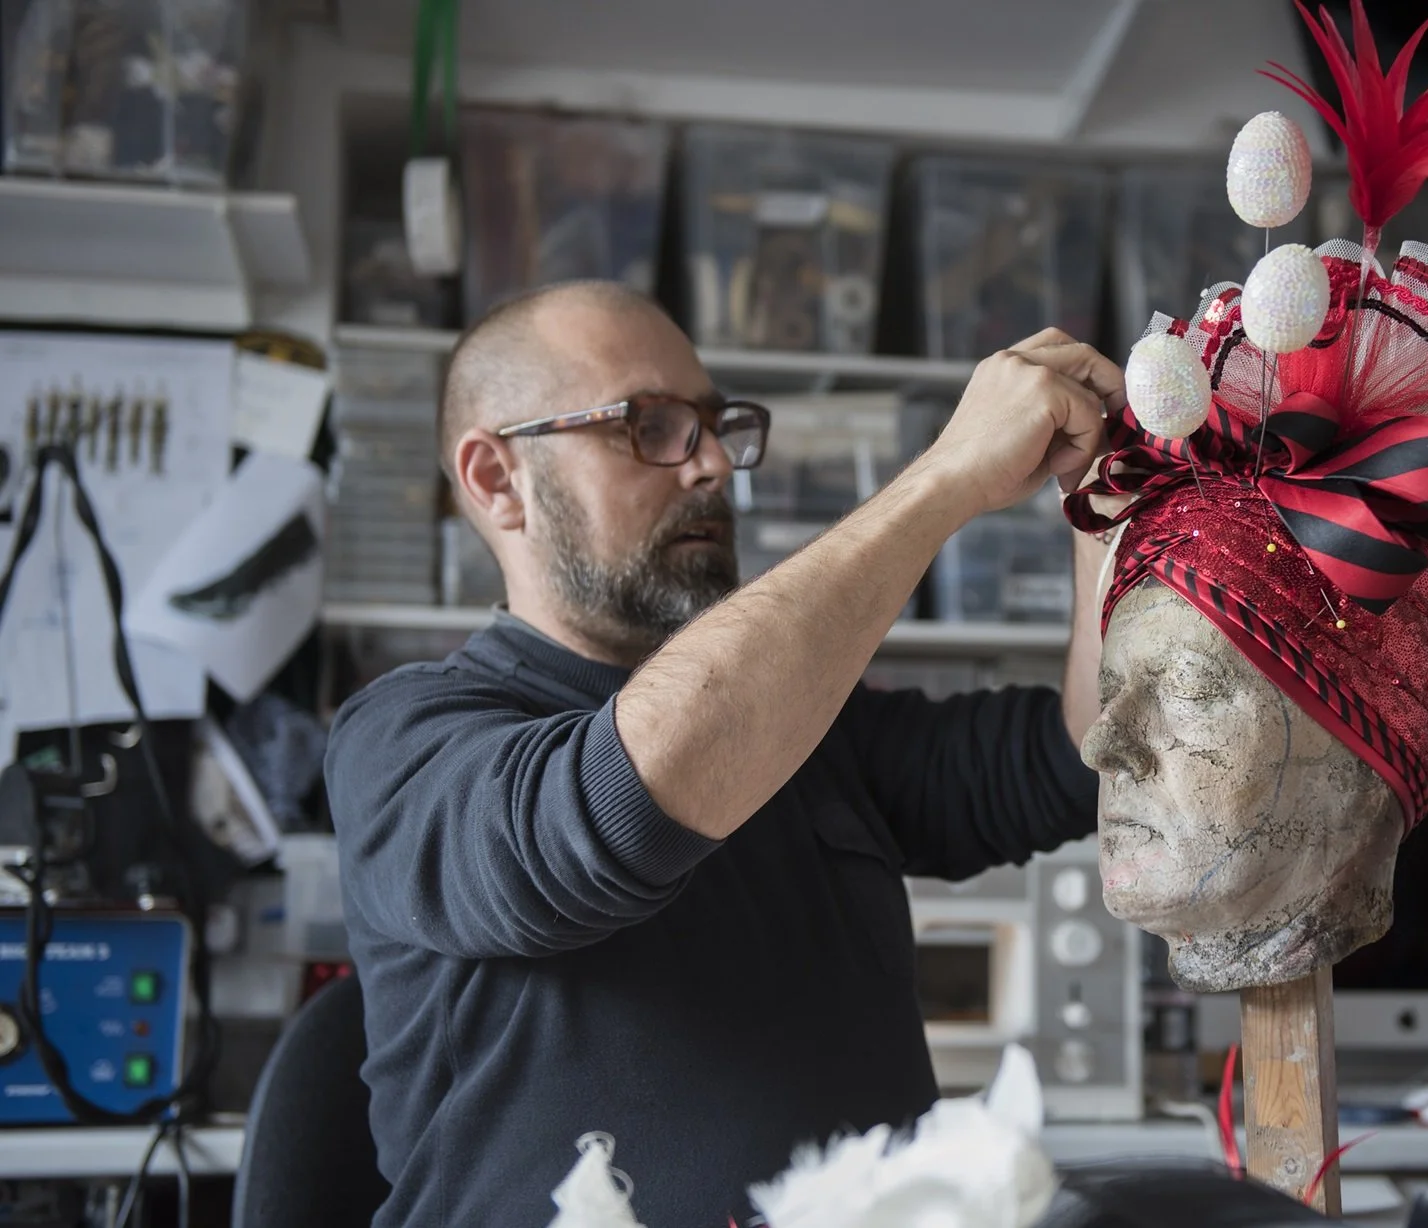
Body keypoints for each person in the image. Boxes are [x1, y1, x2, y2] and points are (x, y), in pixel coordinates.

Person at [323, 280, 1124, 1228]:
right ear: (498, 480)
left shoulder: (818, 729)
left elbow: (1080, 754)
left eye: (713, 424)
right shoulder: (403, 740)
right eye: (649, 425)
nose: (709, 464)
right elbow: (613, 815)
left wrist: (1102, 514)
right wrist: (943, 479)